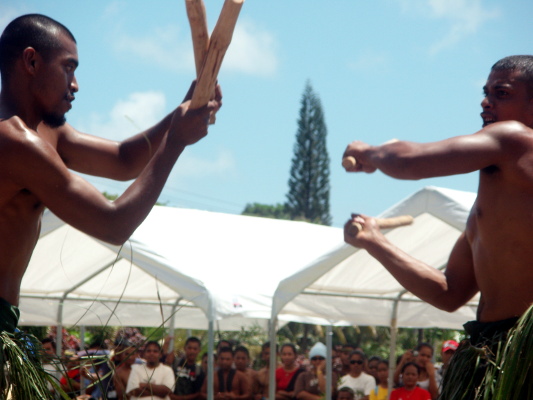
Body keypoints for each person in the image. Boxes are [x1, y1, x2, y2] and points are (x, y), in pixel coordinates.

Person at [0, 13, 219, 398]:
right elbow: (114, 225)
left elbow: (122, 159)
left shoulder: (48, 133)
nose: (76, 85)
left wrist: (184, 110)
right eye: (68, 68)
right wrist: (177, 142)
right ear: (31, 62)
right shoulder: (15, 141)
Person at [342, 55, 533, 399]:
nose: (485, 101)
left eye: (502, 93)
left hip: (523, 353)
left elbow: (408, 161)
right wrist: (374, 242)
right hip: (492, 349)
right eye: (485, 91)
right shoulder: (488, 209)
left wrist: (369, 153)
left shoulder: (517, 138)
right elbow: (450, 292)